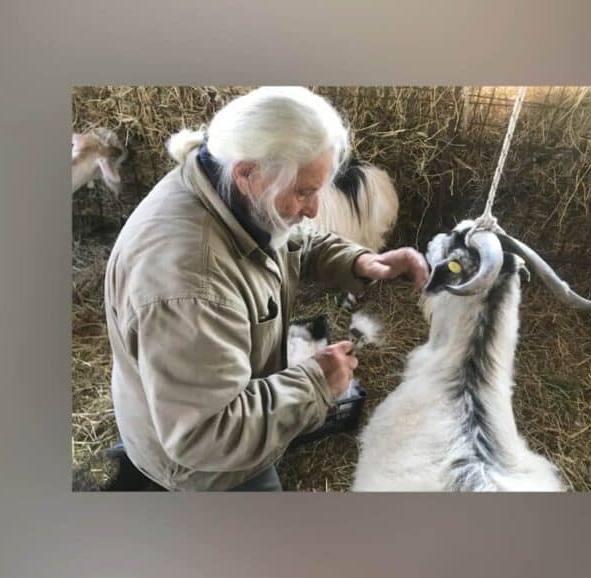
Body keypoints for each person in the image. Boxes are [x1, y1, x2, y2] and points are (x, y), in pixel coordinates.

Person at [103, 87, 428, 491]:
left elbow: (292, 240)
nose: (312, 210)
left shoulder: (227, 191)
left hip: (189, 402)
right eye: (304, 192)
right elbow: (206, 433)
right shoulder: (190, 284)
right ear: (247, 173)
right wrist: (316, 382)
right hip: (205, 468)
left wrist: (359, 261)